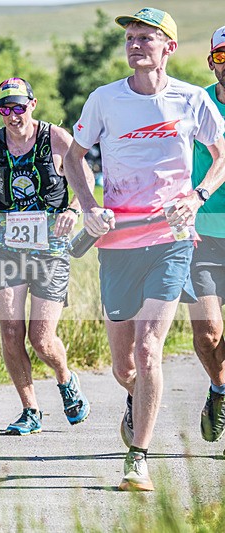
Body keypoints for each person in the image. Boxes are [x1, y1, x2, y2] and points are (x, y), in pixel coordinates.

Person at [62, 8, 225, 491]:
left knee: (149, 348)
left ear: (169, 47)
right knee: (125, 366)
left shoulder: (192, 100)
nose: (135, 44)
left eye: (146, 37)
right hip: (117, 242)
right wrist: (89, 206)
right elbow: (74, 156)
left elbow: (221, 155)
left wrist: (196, 197)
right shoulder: (104, 99)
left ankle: (138, 458)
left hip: (171, 240)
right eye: (131, 37)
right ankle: (137, 398)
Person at [0, 77, 93, 437]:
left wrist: (73, 209)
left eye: (19, 107)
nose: (12, 115)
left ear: (32, 105)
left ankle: (65, 379)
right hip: (8, 246)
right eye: (5, 109)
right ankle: (30, 410)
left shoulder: (56, 138)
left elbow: (86, 178)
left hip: (51, 250)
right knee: (11, 332)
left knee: (42, 339)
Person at [190, 25, 225, 448]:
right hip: (202, 235)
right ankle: (219, 390)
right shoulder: (197, 105)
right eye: (222, 56)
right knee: (207, 334)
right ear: (212, 61)